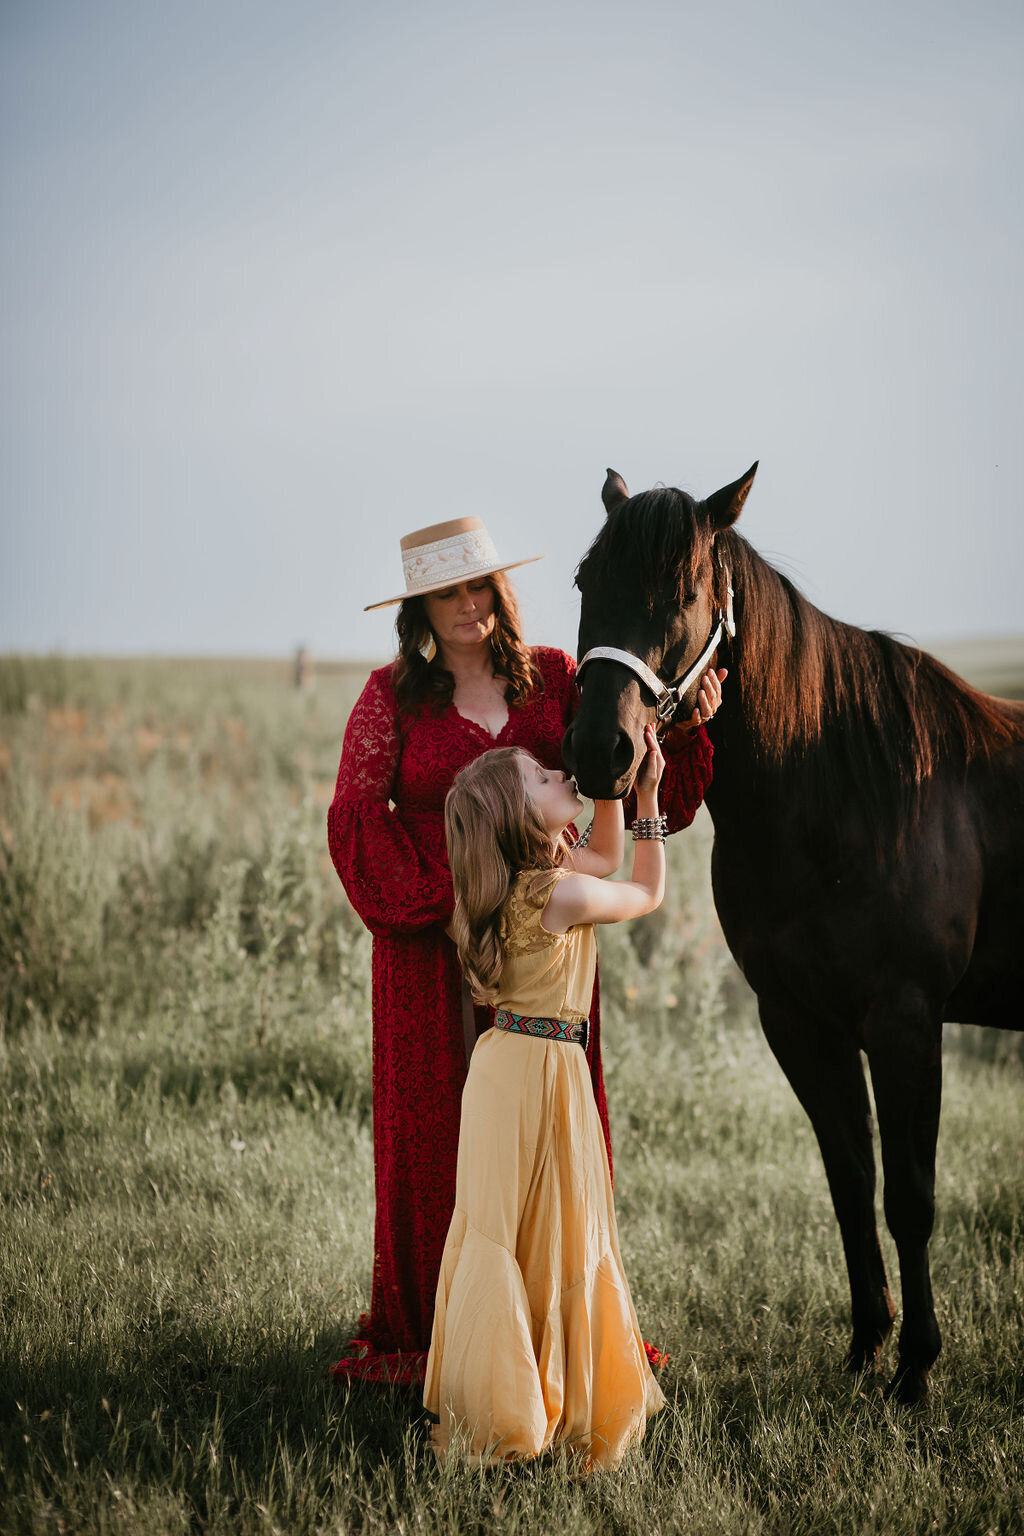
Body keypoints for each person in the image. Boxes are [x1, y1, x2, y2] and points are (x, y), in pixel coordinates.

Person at [327, 515, 724, 1383]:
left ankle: (547, 1324)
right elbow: (357, 821)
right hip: (428, 952)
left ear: (500, 592)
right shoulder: (390, 698)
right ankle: (446, 1333)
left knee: (542, 1139)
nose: (469, 605)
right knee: (437, 1136)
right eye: (447, 592)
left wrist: (685, 733)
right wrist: (459, 899)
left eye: (480, 586)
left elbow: (613, 772)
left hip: (540, 950)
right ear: (420, 610)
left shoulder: (555, 678)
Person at [424, 728, 669, 1468]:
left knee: (502, 1230)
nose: (557, 771)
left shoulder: (518, 889)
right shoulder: (560, 893)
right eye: (540, 779)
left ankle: (499, 1398)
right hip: (548, 1073)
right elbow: (645, 888)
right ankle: (528, 1413)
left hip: (499, 1067)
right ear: (519, 818)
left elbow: (602, 856)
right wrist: (644, 799)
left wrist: (605, 790)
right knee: (561, 1227)